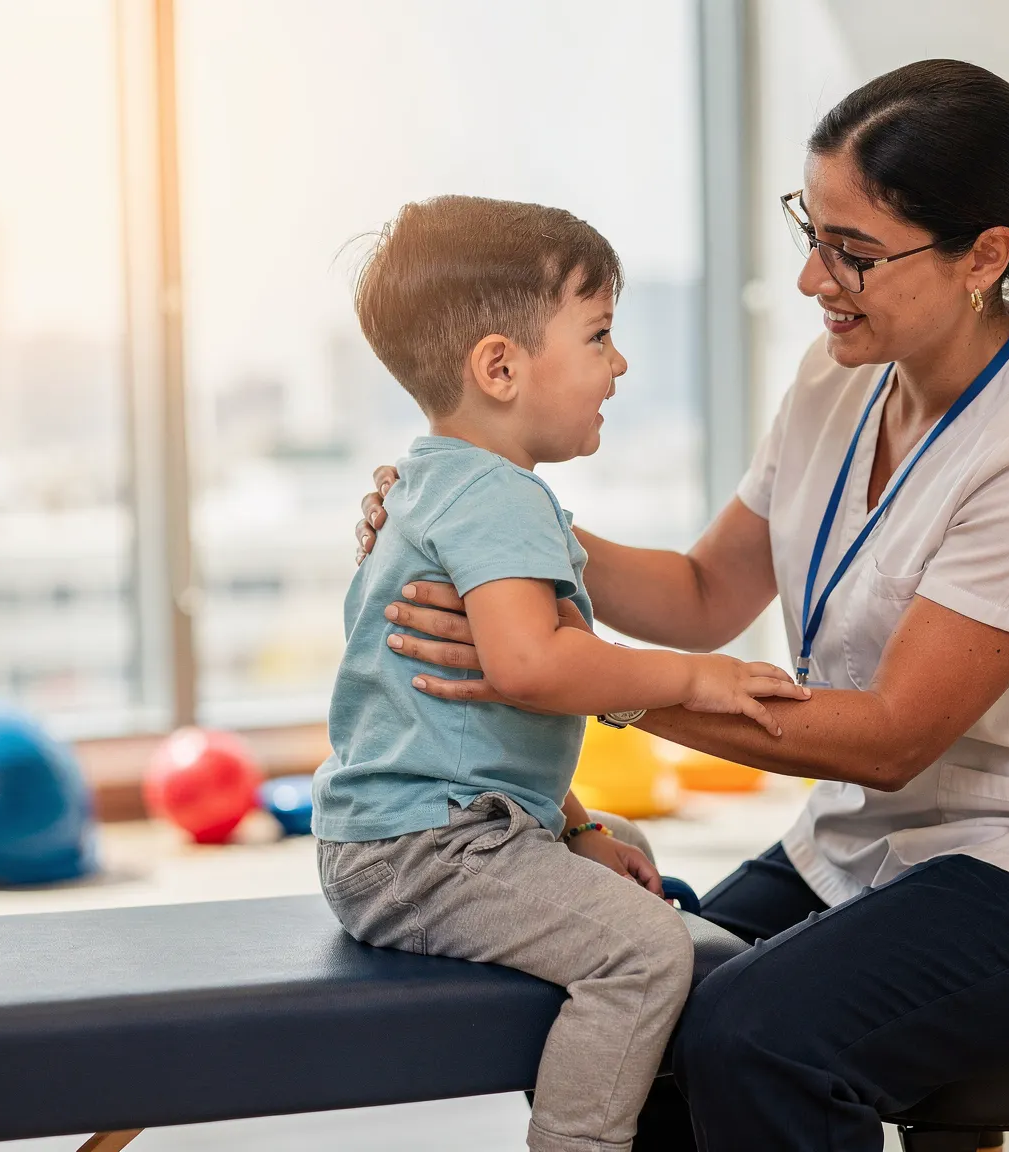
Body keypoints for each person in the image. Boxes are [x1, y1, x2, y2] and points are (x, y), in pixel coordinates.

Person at [351, 61, 1009, 1152]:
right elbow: (701, 596)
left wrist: (588, 678)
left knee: (751, 1036)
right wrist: (483, 539)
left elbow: (888, 738)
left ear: (984, 256)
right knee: (642, 985)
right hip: (860, 846)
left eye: (854, 252)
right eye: (811, 230)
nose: (811, 280)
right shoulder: (836, 380)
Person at [313, 194, 809, 1152]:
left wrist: (573, 824)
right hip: (428, 852)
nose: (618, 365)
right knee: (645, 948)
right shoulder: (498, 499)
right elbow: (531, 668)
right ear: (499, 366)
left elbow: (484, 725)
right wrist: (697, 679)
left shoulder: (435, 482)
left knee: (620, 845)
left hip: (409, 833)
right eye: (598, 335)